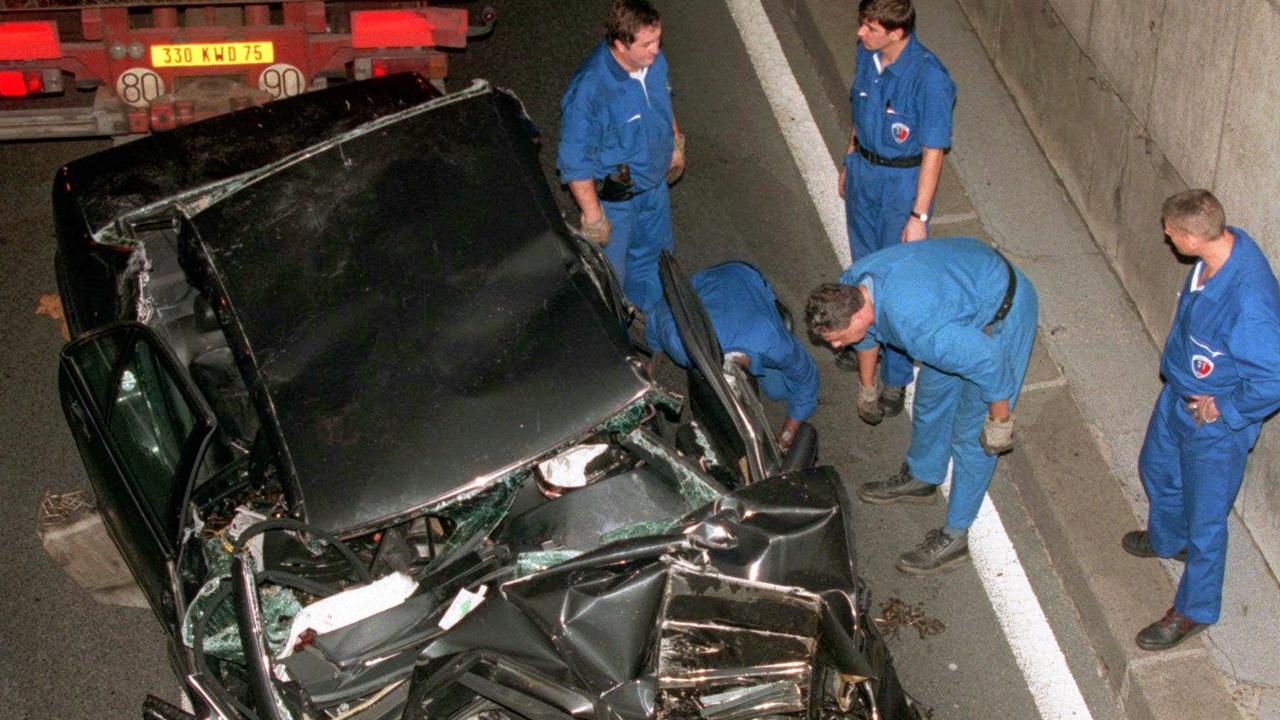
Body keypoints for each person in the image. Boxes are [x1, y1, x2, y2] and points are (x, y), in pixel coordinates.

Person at [805, 237, 1037, 574]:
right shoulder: (852, 286)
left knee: (972, 437)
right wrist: (867, 387)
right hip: (957, 300)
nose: (837, 346)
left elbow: (989, 363)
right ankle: (923, 476)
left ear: (859, 314)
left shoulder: (915, 326)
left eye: (838, 338)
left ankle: (956, 537)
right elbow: (866, 337)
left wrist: (1001, 420)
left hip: (1001, 316)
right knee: (930, 399)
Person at [1123, 190, 1280, 651]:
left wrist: (1224, 408)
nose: (1165, 235)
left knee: (1208, 520)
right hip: (1178, 396)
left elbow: (1273, 377)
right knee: (1155, 467)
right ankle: (1169, 537)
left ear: (1192, 236)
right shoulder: (1217, 254)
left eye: (1170, 231)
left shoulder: (1249, 302)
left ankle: (1195, 609)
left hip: (1212, 426)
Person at [835, 0, 956, 419]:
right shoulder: (869, 56)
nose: (860, 34)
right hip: (865, 172)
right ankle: (864, 338)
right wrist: (849, 157)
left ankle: (897, 376)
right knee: (864, 270)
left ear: (897, 32)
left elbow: (934, 150)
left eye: (870, 28)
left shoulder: (929, 78)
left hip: (901, 187)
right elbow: (860, 109)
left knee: (897, 284)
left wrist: (918, 216)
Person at [556, 0, 685, 312]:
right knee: (611, 275)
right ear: (620, 44)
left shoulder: (653, 62)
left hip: (654, 189)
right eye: (647, 44)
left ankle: (651, 322)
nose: (656, 50)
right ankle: (617, 331)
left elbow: (662, 102)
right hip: (617, 203)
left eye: (658, 40)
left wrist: (676, 142)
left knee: (656, 260)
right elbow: (575, 162)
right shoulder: (591, 90)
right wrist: (593, 216)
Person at [647, 262, 819, 450]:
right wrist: (654, 355)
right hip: (706, 287)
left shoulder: (773, 343)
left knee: (778, 391)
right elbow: (656, 315)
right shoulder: (682, 344)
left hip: (743, 274)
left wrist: (786, 437)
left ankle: (769, 306)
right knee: (776, 389)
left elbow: (807, 379)